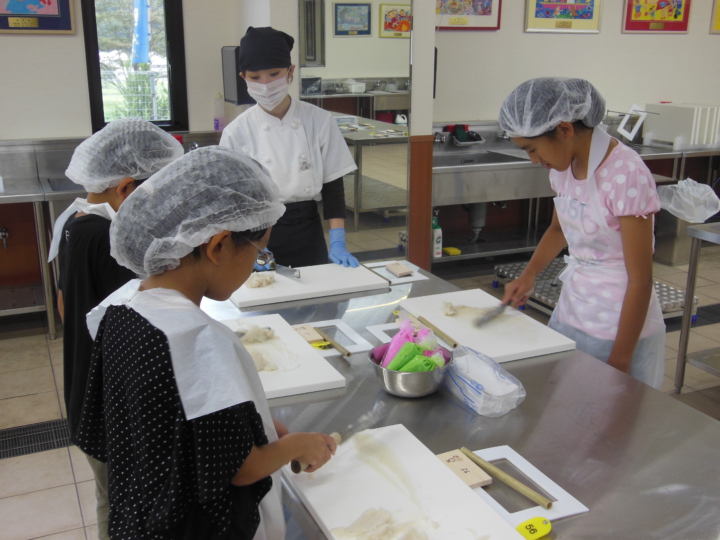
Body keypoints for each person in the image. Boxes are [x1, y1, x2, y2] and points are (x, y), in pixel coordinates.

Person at [75, 147, 337, 539]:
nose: (256, 263)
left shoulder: (121, 307)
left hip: (141, 514)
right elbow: (240, 468)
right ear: (217, 246)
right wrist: (297, 445)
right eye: (258, 250)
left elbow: (173, 417)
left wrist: (258, 426)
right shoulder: (197, 338)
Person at [50, 118, 183, 540]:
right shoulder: (110, 240)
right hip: (112, 405)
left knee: (109, 495)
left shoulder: (74, 221)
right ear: (127, 188)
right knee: (123, 505)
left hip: (86, 391)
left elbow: (64, 305)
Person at [499, 78, 666, 389]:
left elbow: (640, 279)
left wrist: (619, 360)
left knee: (614, 426)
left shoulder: (626, 174)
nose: (533, 160)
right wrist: (529, 275)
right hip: (574, 309)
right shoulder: (562, 170)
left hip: (620, 324)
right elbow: (559, 228)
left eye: (532, 149)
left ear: (565, 129)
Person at [220, 26, 359, 269]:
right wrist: (250, 244)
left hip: (308, 229)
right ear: (243, 78)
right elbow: (233, 201)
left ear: (290, 71)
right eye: (255, 77)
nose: (265, 84)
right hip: (257, 235)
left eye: (274, 74)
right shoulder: (237, 132)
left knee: (314, 301)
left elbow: (333, 187)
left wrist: (338, 240)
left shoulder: (319, 120)